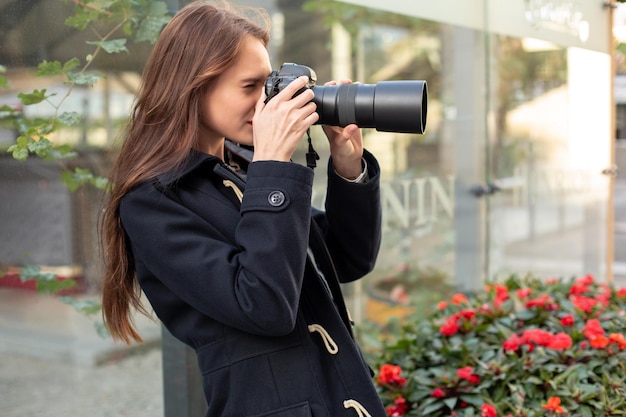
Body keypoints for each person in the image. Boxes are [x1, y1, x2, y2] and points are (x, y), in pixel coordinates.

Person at [100, 1, 386, 416]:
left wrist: (347, 165)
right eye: (250, 87)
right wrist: (272, 164)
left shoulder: (244, 170)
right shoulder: (152, 202)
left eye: (268, 86)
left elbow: (345, 258)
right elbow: (265, 306)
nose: (265, 103)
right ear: (193, 87)